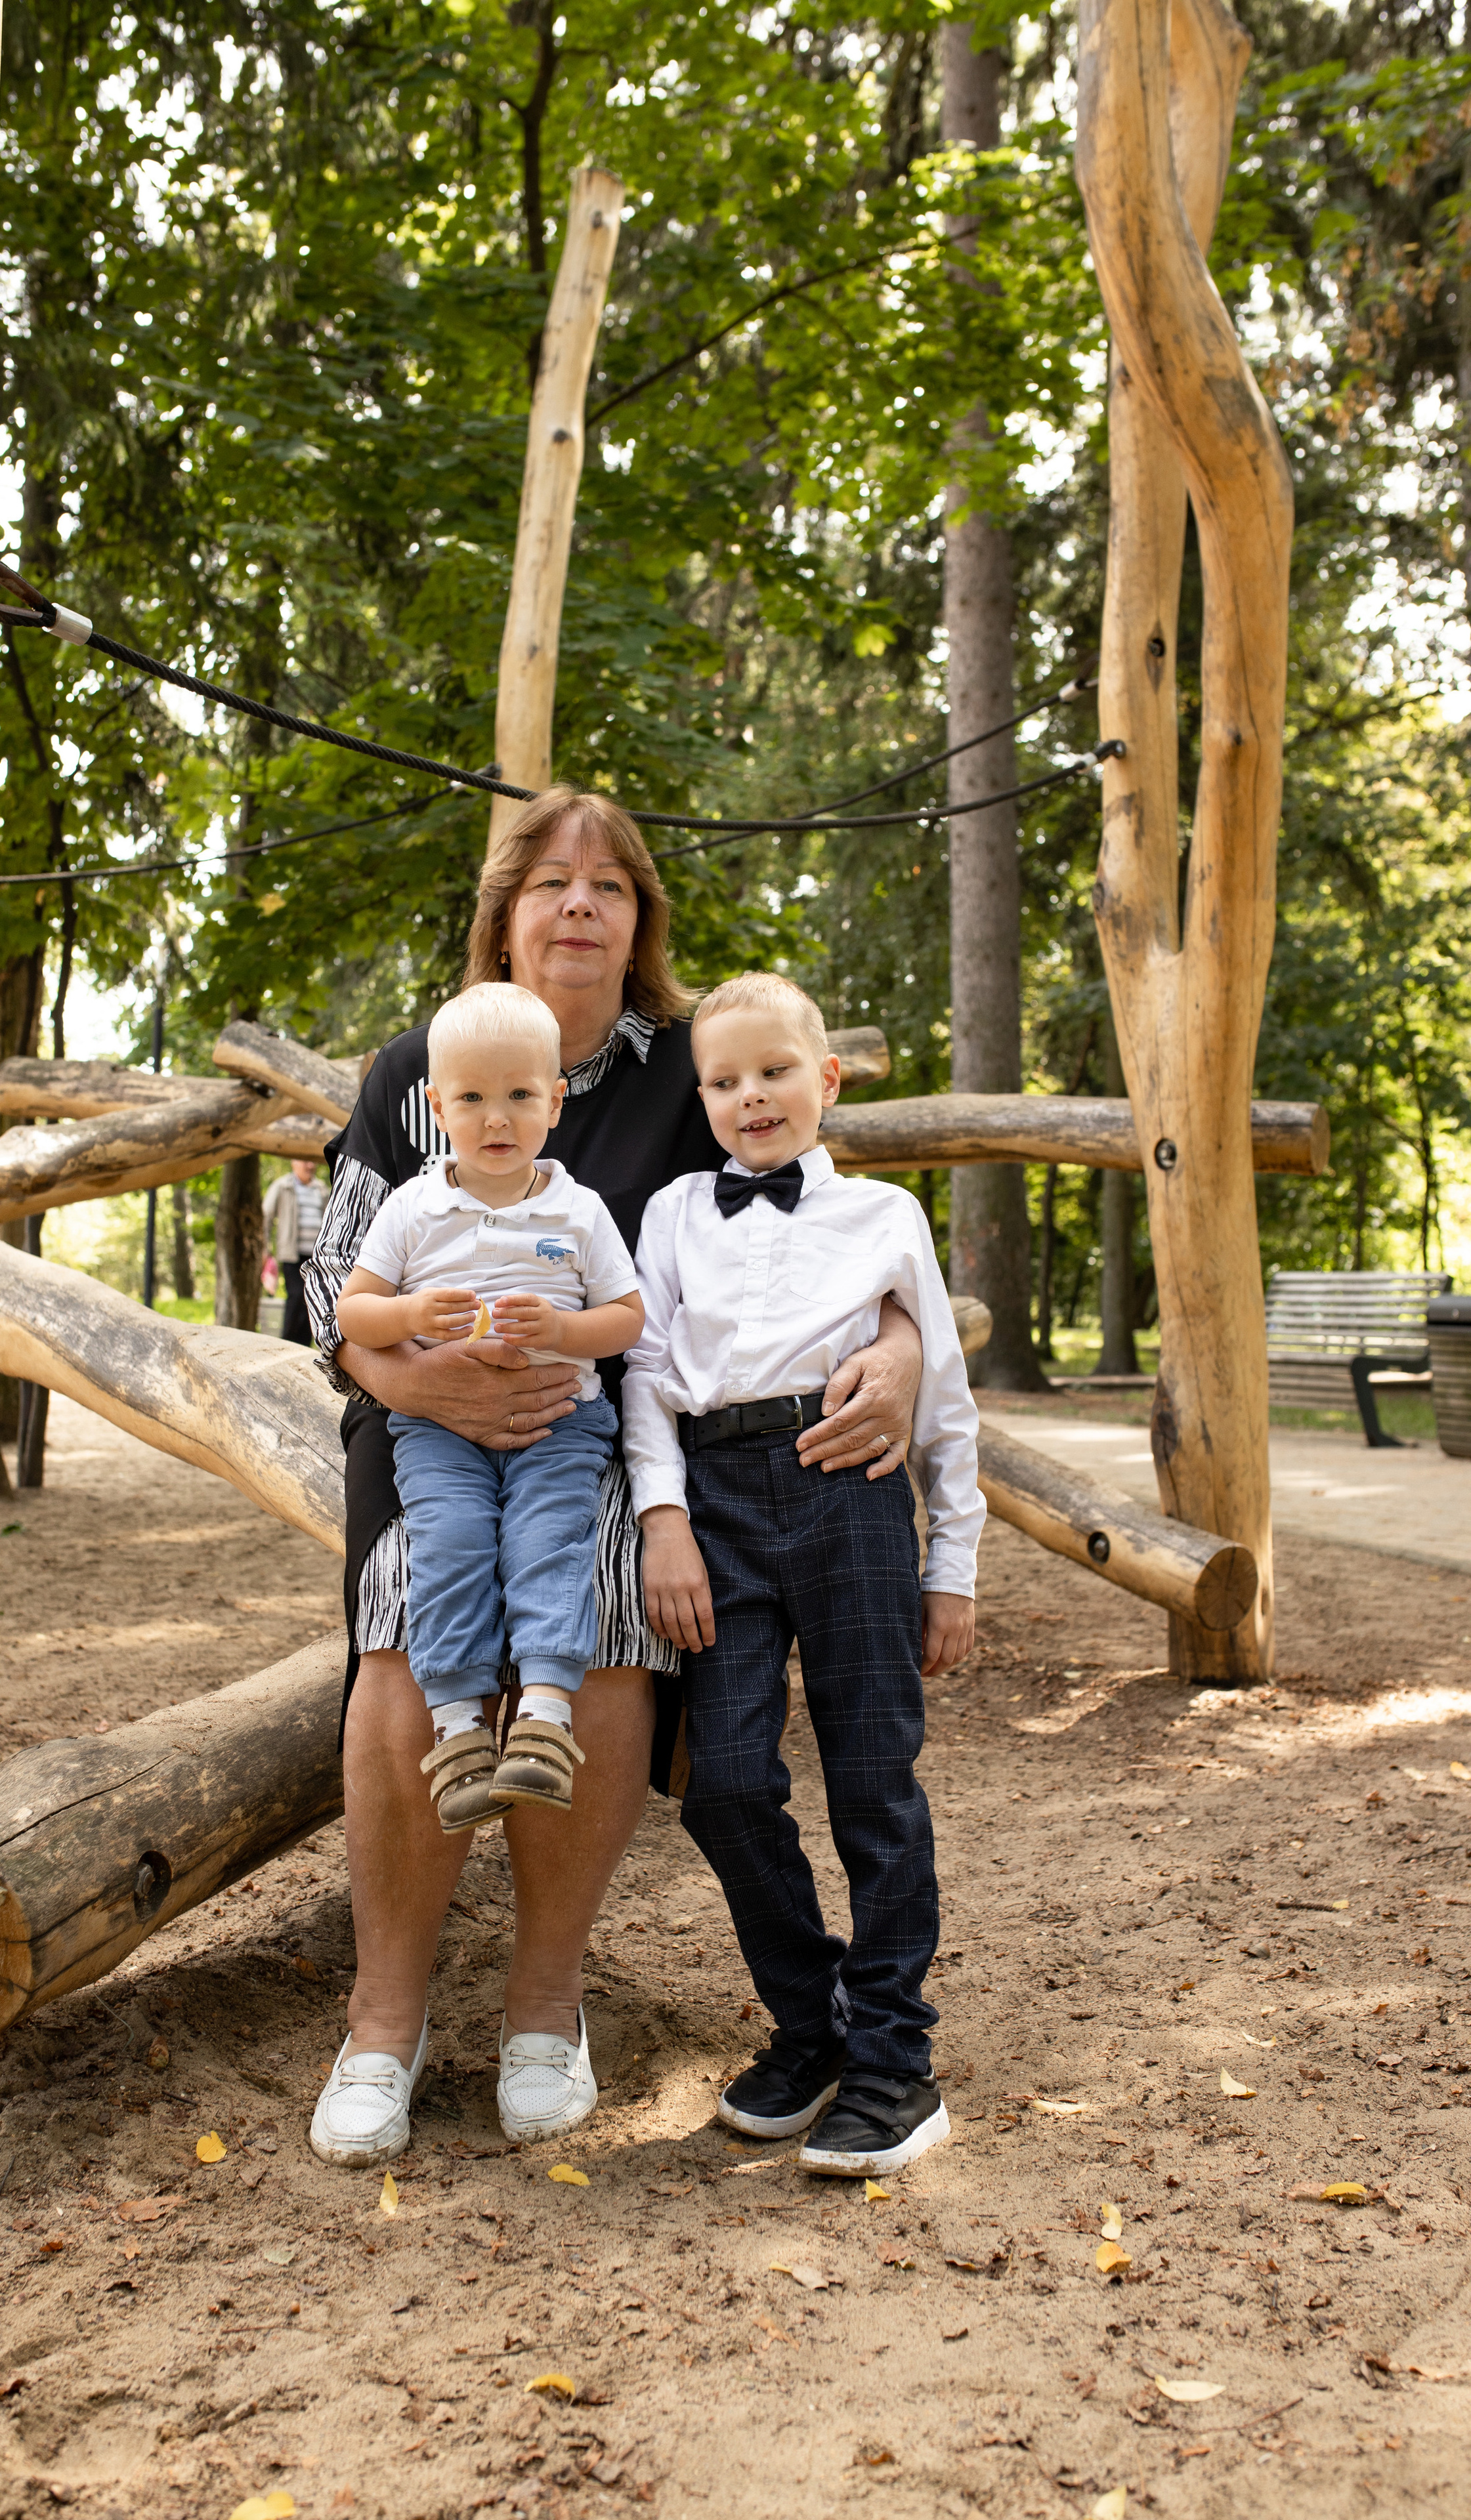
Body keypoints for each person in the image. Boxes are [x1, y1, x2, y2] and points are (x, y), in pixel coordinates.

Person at [301, 788, 927, 2169]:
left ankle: (542, 2006)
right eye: (547, 880)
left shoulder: (685, 1064)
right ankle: (380, 2021)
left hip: (616, 1435)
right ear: (504, 913)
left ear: (639, 919)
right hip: (423, 1429)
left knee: (593, 1633)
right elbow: (323, 1278)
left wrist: (895, 1346)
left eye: (609, 885)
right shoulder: (418, 1065)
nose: (578, 903)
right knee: (412, 1625)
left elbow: (811, 1226)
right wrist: (412, 1381)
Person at [623, 971, 983, 2178]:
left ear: (826, 1078)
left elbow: (942, 1406)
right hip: (716, 1511)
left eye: (773, 1070)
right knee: (722, 1782)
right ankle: (812, 2020)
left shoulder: (886, 1217)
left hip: (850, 1502)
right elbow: (645, 1379)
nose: (750, 1096)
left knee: (874, 1784)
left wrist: (955, 1570)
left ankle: (895, 2061)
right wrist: (664, 1519)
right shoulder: (673, 1212)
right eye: (722, 1081)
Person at [336, 982, 646, 1830]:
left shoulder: (577, 1212)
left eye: (518, 1096)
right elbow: (351, 1311)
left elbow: (627, 1319)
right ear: (437, 1107)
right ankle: (461, 1730)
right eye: (471, 1098)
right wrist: (406, 1317)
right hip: (438, 1432)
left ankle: (544, 1719)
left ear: (554, 1099)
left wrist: (562, 1326)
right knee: (452, 1545)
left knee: (549, 1541)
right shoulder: (413, 1208)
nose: (496, 1118)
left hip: (560, 1423)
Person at [263, 1158, 328, 1344]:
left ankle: (305, 1344)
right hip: (292, 1254)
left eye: (312, 1162)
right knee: (296, 1295)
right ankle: (287, 1341)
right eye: (305, 1161)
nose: (310, 1165)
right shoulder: (283, 1186)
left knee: (311, 1299)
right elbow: (266, 1216)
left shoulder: (321, 1189)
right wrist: (265, 1250)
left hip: (315, 1257)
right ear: (293, 1162)